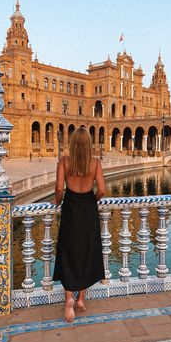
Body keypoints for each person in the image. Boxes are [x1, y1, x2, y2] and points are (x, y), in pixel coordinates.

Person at [53, 127, 106, 322]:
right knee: (87, 251)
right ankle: (81, 299)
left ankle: (68, 299)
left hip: (71, 208)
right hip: (88, 208)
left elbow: (59, 188)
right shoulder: (96, 163)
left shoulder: (64, 162)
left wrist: (57, 201)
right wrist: (91, 199)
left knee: (68, 251)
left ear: (73, 144)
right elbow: (102, 190)